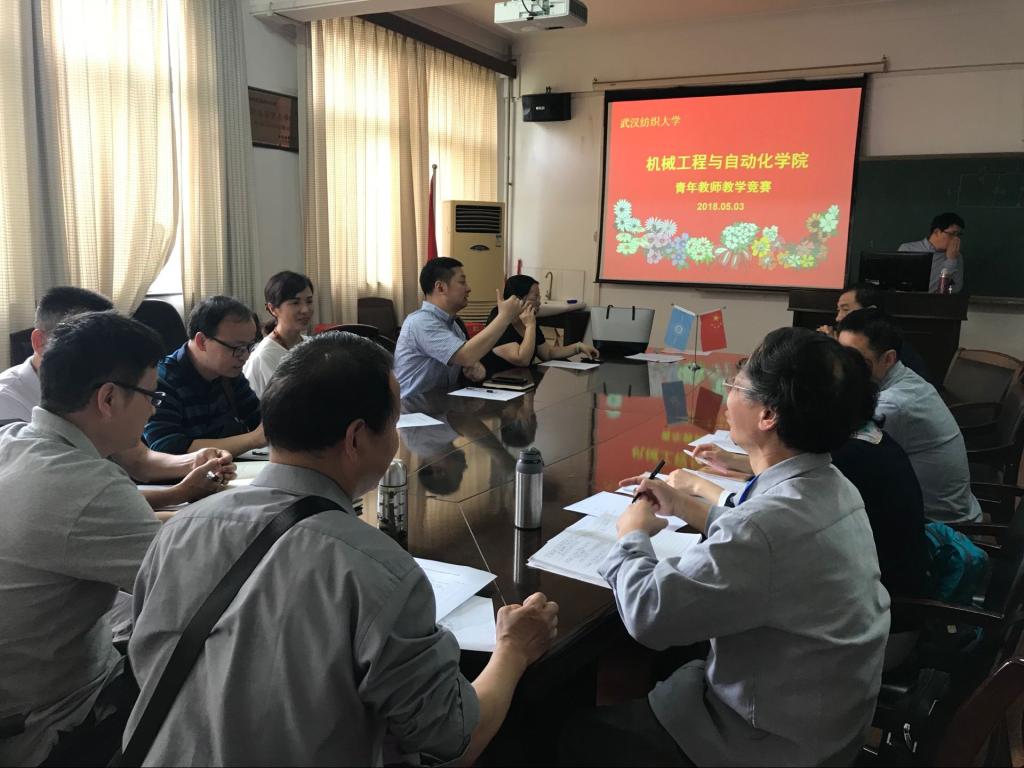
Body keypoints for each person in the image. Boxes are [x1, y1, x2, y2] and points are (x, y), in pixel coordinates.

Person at [124, 332, 559, 765]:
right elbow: (453, 741)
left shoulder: (179, 532)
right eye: (393, 422)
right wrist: (514, 648)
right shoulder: (379, 571)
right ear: (356, 439)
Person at [562, 327, 890, 767]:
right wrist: (683, 503)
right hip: (824, 722)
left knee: (572, 735)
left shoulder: (764, 528)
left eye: (736, 384)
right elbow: (767, 542)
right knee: (672, 665)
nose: (728, 393)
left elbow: (648, 615)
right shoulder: (833, 485)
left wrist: (632, 533)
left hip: (765, 743)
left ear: (768, 414)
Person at [0, 312, 225, 766]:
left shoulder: (13, 443)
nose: (153, 410)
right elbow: (201, 586)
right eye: (151, 396)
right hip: (56, 721)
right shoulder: (90, 485)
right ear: (107, 398)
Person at [686, 354, 929, 598]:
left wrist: (694, 490)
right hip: (882, 595)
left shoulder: (844, 463)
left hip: (897, 602)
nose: (728, 396)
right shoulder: (845, 456)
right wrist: (731, 462)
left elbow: (751, 525)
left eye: (736, 387)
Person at [0, 287, 234, 508]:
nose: (106, 354)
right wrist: (178, 494)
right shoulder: (7, 403)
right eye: (85, 341)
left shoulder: (99, 389)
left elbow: (137, 459)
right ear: (40, 342)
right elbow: (65, 495)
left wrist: (194, 461)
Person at [838, 307, 981, 523]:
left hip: (937, 526)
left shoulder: (893, 404)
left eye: (856, 360)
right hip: (946, 508)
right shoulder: (904, 378)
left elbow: (844, 458)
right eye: (840, 355)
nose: (844, 367)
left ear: (888, 358)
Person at [144, 295, 265, 456]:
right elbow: (166, 447)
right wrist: (252, 440)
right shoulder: (162, 380)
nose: (245, 356)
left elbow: (258, 418)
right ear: (201, 341)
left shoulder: (229, 373)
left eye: (249, 346)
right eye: (237, 347)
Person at [394, 257, 525, 398]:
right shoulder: (421, 322)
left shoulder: (453, 324)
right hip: (412, 407)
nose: (469, 288)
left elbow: (469, 361)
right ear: (440, 287)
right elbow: (466, 356)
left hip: (441, 404)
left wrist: (476, 370)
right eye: (462, 282)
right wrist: (504, 316)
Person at [479, 275, 599, 378]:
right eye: (535, 298)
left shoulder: (527, 319)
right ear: (518, 299)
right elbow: (522, 359)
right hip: (496, 385)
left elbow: (548, 353)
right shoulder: (500, 318)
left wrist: (578, 347)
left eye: (539, 298)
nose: (539, 302)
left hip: (521, 381)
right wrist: (530, 325)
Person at [817, 283, 930, 380]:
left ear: (870, 311)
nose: (838, 318)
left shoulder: (890, 345)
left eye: (845, 309)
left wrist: (836, 348)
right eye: (838, 310)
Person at [244, 271, 314, 397]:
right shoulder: (263, 357)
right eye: (295, 303)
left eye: (309, 301)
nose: (305, 310)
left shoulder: (312, 345)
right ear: (273, 309)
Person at [898, 212, 966, 293]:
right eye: (952, 234)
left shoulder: (956, 256)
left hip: (936, 300)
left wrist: (951, 260)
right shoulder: (908, 249)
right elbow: (899, 283)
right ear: (936, 232)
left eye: (958, 235)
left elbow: (956, 288)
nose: (956, 239)